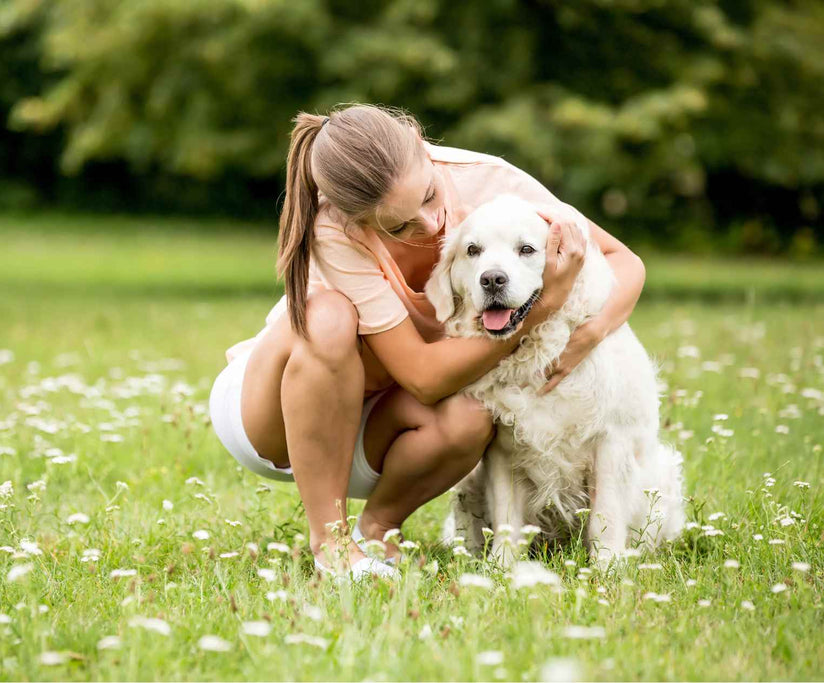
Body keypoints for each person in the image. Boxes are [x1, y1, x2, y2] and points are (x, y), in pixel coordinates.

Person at [208, 104, 645, 579]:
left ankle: (377, 532)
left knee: (475, 414)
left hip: (373, 428)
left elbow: (624, 261)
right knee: (328, 316)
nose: (433, 222)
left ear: (421, 146)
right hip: (278, 422)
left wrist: (591, 332)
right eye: (399, 225)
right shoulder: (334, 227)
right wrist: (541, 307)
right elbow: (423, 378)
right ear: (357, 218)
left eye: (431, 195)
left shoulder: (488, 180)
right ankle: (330, 544)